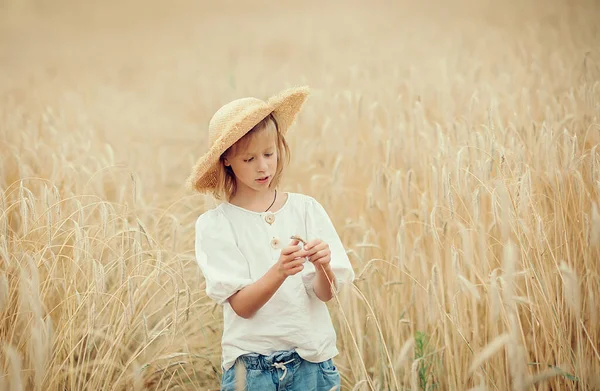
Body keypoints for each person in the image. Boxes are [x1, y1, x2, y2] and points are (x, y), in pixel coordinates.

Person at [186, 86, 356, 390]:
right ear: (226, 160)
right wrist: (279, 271)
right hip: (252, 373)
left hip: (312, 364)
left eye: (269, 153)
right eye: (249, 159)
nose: (263, 166)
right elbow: (243, 307)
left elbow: (326, 294)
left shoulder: (306, 209)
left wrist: (323, 266)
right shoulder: (217, 225)